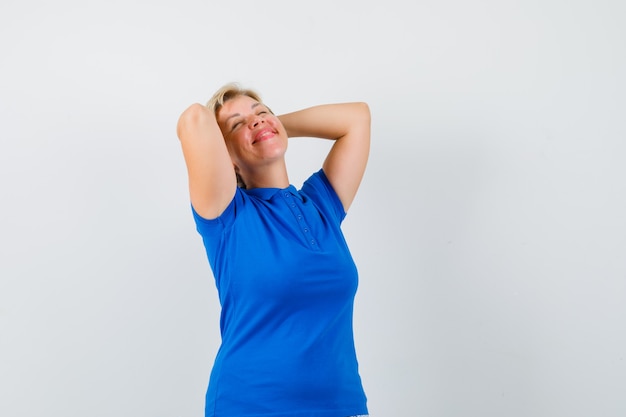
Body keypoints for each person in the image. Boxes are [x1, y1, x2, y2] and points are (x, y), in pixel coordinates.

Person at [176, 82, 371, 417]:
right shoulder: (228, 215)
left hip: (341, 405)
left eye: (261, 112)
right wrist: (254, 128)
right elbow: (194, 120)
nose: (255, 120)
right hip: (253, 405)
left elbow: (358, 118)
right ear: (227, 158)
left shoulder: (322, 205)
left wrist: (273, 125)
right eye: (236, 124)